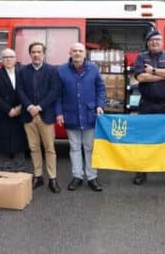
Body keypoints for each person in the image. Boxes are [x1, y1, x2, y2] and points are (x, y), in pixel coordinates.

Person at [132, 29, 165, 187]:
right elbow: (141, 77)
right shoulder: (141, 57)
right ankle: (141, 172)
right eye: (151, 40)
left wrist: (153, 71)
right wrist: (164, 75)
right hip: (147, 105)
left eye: (157, 40)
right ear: (147, 43)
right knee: (144, 140)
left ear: (162, 42)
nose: (154, 42)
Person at [56, 43, 106, 192]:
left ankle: (92, 177)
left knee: (90, 147)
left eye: (80, 51)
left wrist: (100, 105)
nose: (77, 53)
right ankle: (77, 176)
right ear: (70, 53)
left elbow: (101, 88)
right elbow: (57, 94)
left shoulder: (93, 68)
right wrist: (58, 113)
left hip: (90, 114)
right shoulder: (61, 70)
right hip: (70, 114)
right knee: (75, 147)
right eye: (75, 51)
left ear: (85, 54)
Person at [17, 41, 62, 193]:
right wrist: (29, 106)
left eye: (39, 52)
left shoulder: (52, 71)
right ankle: (38, 176)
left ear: (43, 54)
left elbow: (54, 91)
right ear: (30, 54)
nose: (36, 55)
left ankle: (52, 178)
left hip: (46, 115)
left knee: (50, 149)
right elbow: (20, 91)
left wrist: (39, 107)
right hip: (28, 115)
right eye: (33, 52)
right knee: (33, 147)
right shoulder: (23, 71)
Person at [0, 48, 28, 170]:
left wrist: (21, 107)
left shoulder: (22, 72)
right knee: (3, 140)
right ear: (2, 60)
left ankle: (19, 167)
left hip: (20, 112)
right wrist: (9, 110)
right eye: (5, 57)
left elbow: (28, 91)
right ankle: (5, 168)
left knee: (20, 141)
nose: (8, 59)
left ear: (16, 59)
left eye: (11, 57)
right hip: (4, 113)